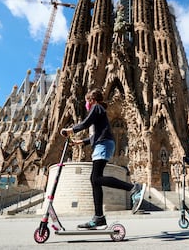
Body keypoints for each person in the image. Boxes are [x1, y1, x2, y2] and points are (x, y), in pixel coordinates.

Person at [60, 88, 146, 229]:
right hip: (102, 143)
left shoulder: (97, 107)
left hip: (104, 144)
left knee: (95, 178)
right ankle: (98, 217)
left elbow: (85, 123)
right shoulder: (99, 113)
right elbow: (95, 135)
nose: (87, 104)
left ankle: (133, 187)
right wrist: (80, 142)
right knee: (95, 181)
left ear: (92, 100)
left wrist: (70, 130)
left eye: (88, 101)